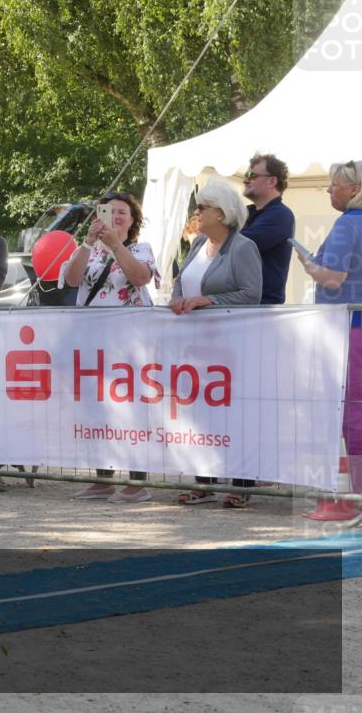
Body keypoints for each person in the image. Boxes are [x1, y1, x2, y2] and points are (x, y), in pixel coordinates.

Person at [61, 191, 159, 503]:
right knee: (94, 410)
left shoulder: (140, 249)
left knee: (131, 411)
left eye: (122, 213)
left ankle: (136, 481)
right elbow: (72, 279)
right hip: (92, 343)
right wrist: (89, 243)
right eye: (110, 212)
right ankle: (102, 478)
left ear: (132, 221)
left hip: (129, 344)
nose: (115, 218)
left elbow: (141, 277)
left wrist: (116, 246)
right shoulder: (88, 250)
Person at [171, 179, 263, 508]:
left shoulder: (243, 248)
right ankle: (203, 481)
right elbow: (181, 282)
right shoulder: (197, 244)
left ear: (221, 214)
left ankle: (241, 484)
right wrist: (178, 300)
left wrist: (207, 299)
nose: (197, 212)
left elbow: (252, 294)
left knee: (234, 414)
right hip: (196, 347)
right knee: (200, 414)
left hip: (232, 347)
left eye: (203, 207)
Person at [297, 160, 362, 491]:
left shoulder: (348, 224)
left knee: (353, 411)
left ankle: (358, 494)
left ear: (354, 190)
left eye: (334, 184)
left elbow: (333, 279)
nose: (329, 190)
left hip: (351, 328)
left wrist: (309, 265)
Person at [241, 153, 295, 305]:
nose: (245, 180)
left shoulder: (280, 215)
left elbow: (240, 245)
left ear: (272, 181)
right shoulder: (246, 212)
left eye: (252, 175)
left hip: (262, 309)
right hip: (242, 306)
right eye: (246, 174)